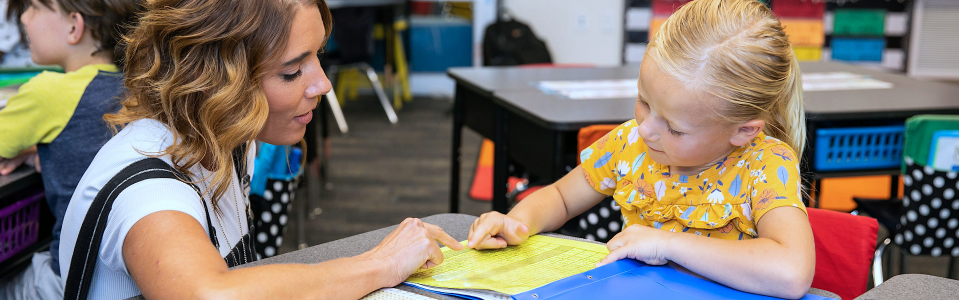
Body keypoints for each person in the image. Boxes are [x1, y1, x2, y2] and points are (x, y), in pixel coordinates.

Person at [58, 0, 463, 299]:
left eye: (317, 57)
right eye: (291, 71)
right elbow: (209, 295)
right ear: (216, 81)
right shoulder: (149, 189)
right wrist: (381, 263)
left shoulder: (230, 143)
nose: (322, 84)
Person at [466, 0, 815, 298]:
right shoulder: (629, 142)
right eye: (643, 102)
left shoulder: (765, 164)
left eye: (675, 128)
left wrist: (665, 244)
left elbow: (792, 272)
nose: (645, 130)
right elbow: (561, 197)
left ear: (743, 131)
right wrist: (516, 222)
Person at [0, 0, 143, 298]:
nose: (24, 17)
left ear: (75, 27)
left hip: (66, 281)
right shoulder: (133, 86)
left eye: (35, 7)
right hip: (122, 280)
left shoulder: (50, 91)